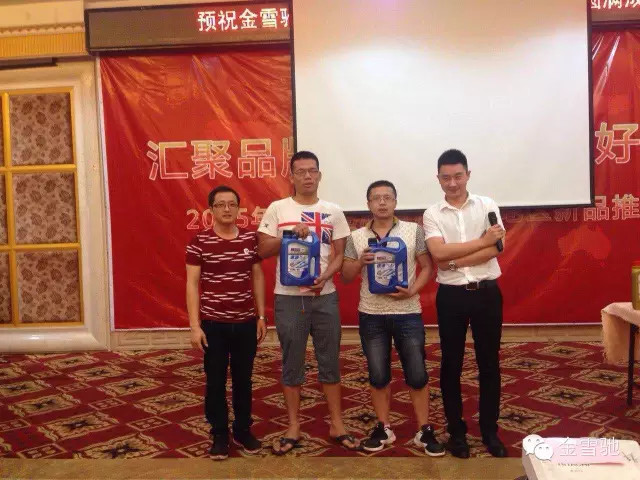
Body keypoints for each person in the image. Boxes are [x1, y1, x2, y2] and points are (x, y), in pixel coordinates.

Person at [257, 150, 360, 455]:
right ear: (291, 176)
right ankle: (293, 426)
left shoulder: (333, 211)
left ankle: (337, 424)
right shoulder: (278, 208)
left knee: (330, 361)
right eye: (300, 171)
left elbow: (340, 254)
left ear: (319, 175)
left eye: (312, 171)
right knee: (292, 362)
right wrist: (288, 235)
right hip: (289, 298)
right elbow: (262, 249)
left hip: (324, 296)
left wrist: (326, 275)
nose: (307, 176)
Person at [341, 180, 445, 457]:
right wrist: (359, 262)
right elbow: (346, 276)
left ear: (396, 202)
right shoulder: (356, 237)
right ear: (368, 204)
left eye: (387, 197)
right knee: (378, 374)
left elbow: (427, 267)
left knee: (417, 373)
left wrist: (413, 289)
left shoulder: (414, 231)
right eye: (376, 198)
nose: (382, 202)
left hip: (407, 312)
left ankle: (424, 429)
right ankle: (383, 427)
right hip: (371, 314)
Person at [422, 149, 507, 458]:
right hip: (452, 296)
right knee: (451, 364)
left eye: (458, 176)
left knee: (489, 363)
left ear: (468, 175)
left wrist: (456, 260)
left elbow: (497, 248)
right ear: (438, 179)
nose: (453, 183)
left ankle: (489, 431)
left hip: (486, 293)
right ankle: (456, 432)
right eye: (446, 178)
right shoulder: (432, 213)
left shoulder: (487, 205)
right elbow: (438, 254)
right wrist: (481, 242)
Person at [186, 185, 267, 461]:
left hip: (245, 322)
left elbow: (257, 276)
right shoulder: (199, 242)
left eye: (232, 204)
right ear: (211, 210)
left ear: (239, 208)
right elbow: (192, 284)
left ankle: (243, 430)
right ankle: (219, 433)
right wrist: (195, 326)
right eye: (220, 204)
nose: (227, 209)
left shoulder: (250, 240)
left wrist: (261, 316)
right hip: (213, 324)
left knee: (244, 379)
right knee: (216, 381)